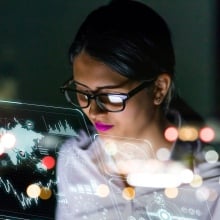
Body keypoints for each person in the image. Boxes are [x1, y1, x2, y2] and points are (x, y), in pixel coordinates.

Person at [56, 0, 220, 219]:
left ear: (158, 89)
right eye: (83, 93)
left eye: (112, 96)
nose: (94, 111)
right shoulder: (76, 161)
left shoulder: (210, 183)